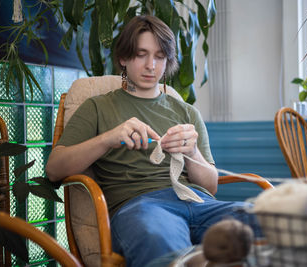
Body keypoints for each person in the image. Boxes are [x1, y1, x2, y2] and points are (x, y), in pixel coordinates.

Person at [46, 15, 251, 267]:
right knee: (158, 238)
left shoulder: (187, 113)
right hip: (142, 207)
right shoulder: (97, 107)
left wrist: (193, 152)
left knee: (263, 220)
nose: (150, 65)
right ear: (123, 58)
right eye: (141, 54)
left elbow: (212, 186)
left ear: (168, 61)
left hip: (200, 203)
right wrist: (109, 138)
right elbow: (54, 169)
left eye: (159, 56)